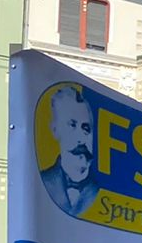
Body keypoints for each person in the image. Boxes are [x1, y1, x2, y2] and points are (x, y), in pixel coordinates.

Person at [40, 82, 101, 216]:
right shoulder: (41, 181)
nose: (80, 138)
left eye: (86, 129)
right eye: (72, 125)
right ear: (55, 129)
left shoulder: (100, 189)